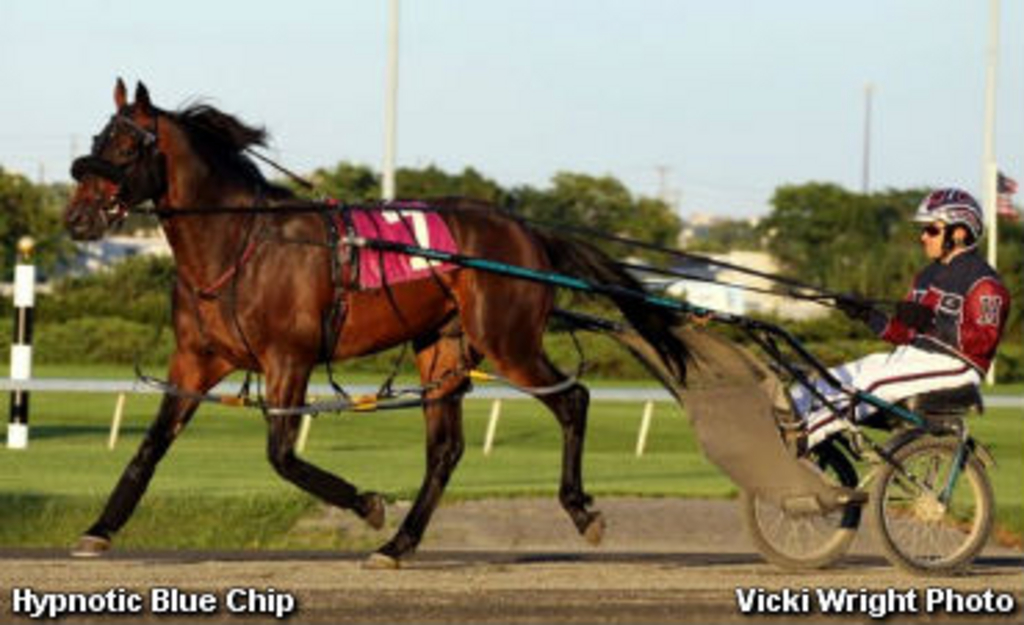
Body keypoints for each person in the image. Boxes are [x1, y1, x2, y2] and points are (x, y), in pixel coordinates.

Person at [794, 187, 1011, 450]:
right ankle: (789, 420)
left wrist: (932, 322)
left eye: (932, 230)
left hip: (957, 367)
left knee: (867, 386)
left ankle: (800, 441)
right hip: (912, 357)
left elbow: (983, 343)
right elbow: (904, 335)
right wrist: (866, 314)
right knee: (835, 378)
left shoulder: (985, 283)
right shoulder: (926, 276)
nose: (923, 237)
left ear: (960, 232)